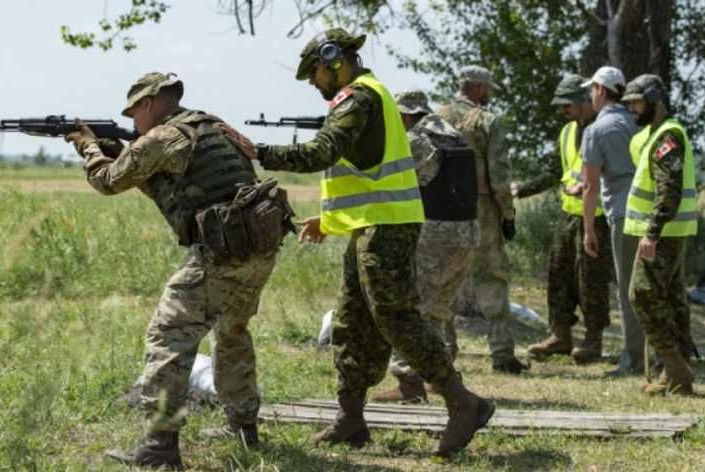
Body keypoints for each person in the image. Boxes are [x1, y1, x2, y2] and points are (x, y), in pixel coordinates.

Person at [222, 28, 494, 457]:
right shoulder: (363, 98)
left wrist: (257, 151)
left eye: (313, 72)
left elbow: (322, 153)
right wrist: (329, 223)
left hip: (387, 226)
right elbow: (362, 175)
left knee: (397, 317)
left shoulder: (360, 98)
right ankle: (351, 418)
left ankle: (462, 402)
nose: (312, 82)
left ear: (333, 60)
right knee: (351, 319)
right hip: (372, 224)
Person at [65, 72, 292, 469]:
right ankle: (243, 429)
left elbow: (106, 181)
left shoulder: (162, 138)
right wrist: (121, 150)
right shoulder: (210, 126)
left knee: (168, 336)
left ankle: (159, 449)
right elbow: (171, 184)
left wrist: (88, 148)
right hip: (258, 247)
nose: (134, 121)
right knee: (232, 331)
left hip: (220, 254)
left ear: (150, 103)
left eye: (134, 112)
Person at [371, 90, 481, 403]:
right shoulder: (454, 136)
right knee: (438, 311)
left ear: (405, 115)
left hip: (435, 236)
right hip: (467, 233)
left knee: (412, 310)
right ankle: (439, 376)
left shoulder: (417, 141)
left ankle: (410, 383)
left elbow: (397, 181)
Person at [436, 66, 526, 374]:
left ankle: (443, 352)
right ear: (478, 88)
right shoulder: (488, 121)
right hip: (482, 210)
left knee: (443, 279)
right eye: (488, 89)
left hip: (443, 210)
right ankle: (502, 353)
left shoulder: (435, 118)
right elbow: (499, 176)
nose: (490, 94)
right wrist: (508, 215)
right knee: (492, 277)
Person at [522, 75, 613, 364]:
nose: (563, 110)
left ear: (586, 101)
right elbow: (553, 170)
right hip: (569, 215)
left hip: (597, 217)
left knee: (591, 281)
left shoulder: (604, 130)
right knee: (558, 274)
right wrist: (521, 189)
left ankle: (593, 340)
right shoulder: (565, 133)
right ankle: (560, 336)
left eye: (568, 104)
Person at [622, 74, 698, 395]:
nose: (632, 109)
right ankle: (672, 371)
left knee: (642, 294)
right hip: (665, 231)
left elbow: (669, 190)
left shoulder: (668, 136)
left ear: (655, 101)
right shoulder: (654, 135)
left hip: (662, 232)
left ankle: (677, 370)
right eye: (629, 104)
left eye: (637, 103)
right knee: (670, 299)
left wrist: (652, 233)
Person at [579, 66, 643, 376]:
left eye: (591, 90)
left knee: (628, 289)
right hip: (652, 210)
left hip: (622, 212)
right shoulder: (638, 122)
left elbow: (590, 185)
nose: (590, 95)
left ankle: (633, 361)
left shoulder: (596, 130)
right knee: (653, 285)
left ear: (601, 91)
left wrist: (588, 229)